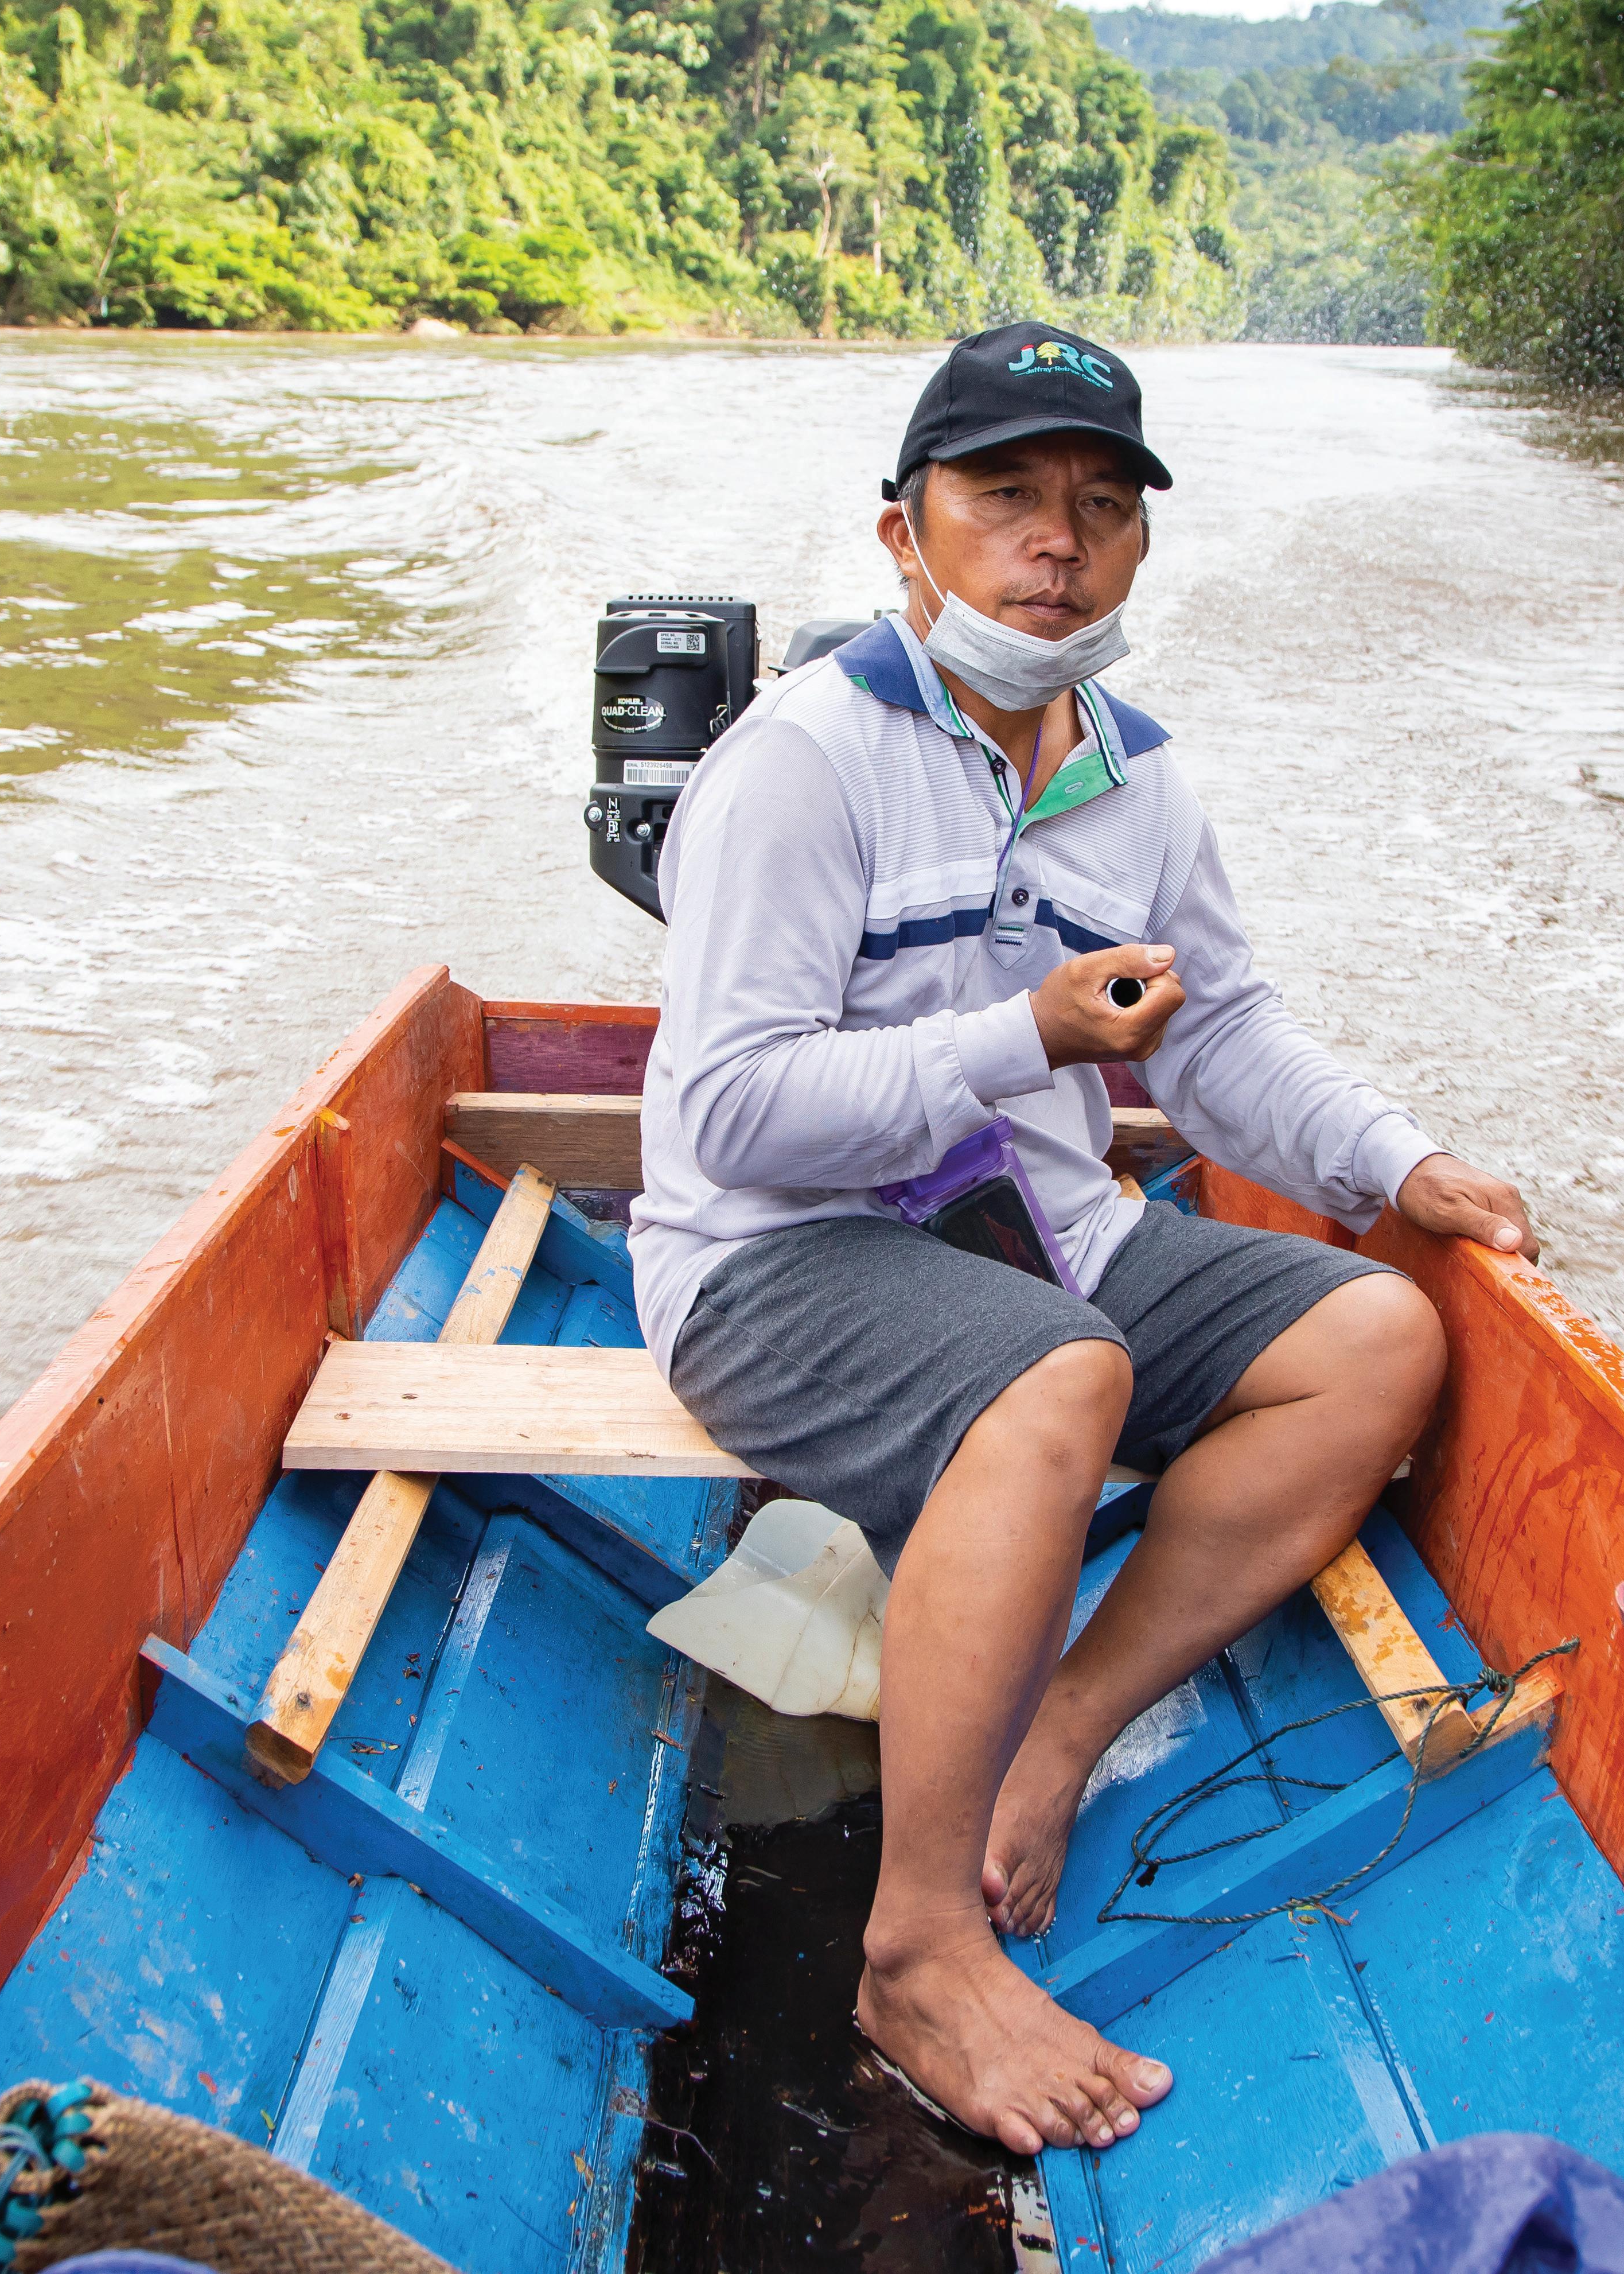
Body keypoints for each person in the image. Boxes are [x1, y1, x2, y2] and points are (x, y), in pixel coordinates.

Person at [628, 320, 1539, 2160]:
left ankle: (1053, 1724)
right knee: (1057, 1375)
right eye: (1005, 495)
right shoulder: (800, 763)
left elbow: (1219, 1037)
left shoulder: (1133, 774)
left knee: (1375, 1337)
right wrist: (1019, 1036)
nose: (1056, 540)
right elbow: (727, 1114)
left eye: (1102, 505)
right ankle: (915, 1948)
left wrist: (1399, 1163)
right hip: (771, 1257)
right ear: (902, 531)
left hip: (1042, 1236)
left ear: (1135, 544)